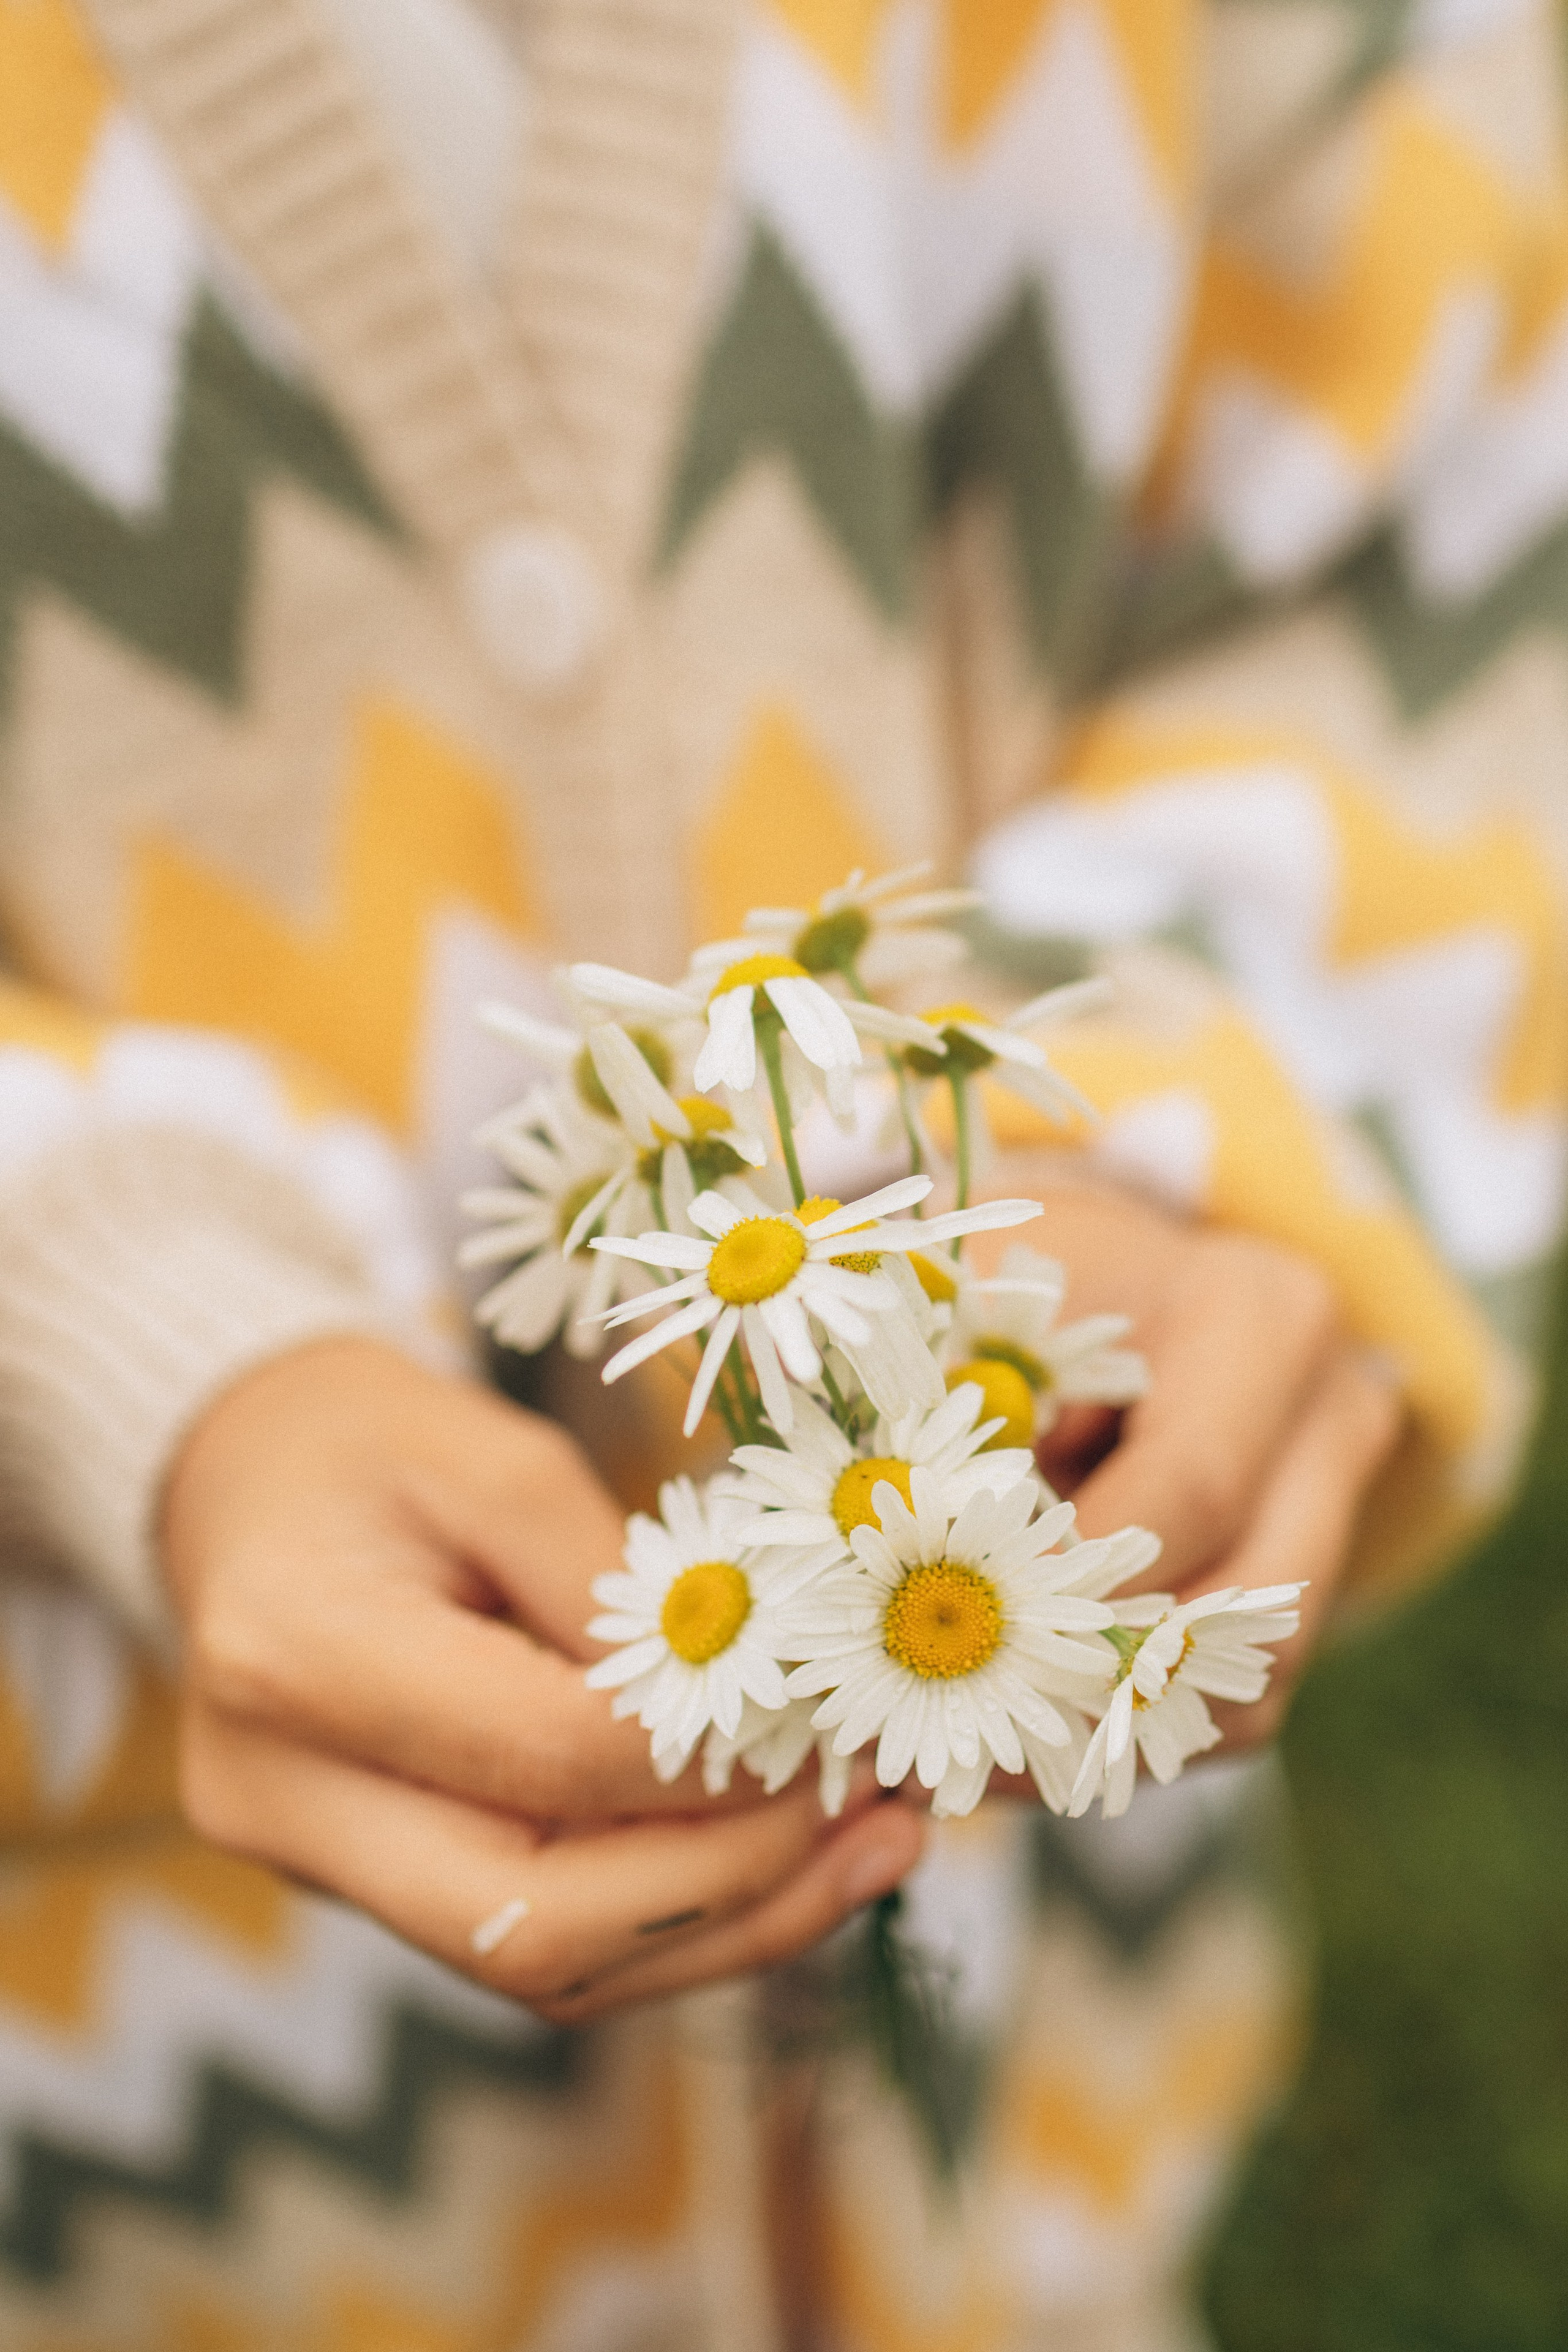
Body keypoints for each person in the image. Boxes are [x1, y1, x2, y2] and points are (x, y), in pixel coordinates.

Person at [0, 0, 1561, 2345]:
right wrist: (124, 1346)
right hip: (150, 2139)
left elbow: (1441, 533)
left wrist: (1170, 1136)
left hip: (1018, 2103)